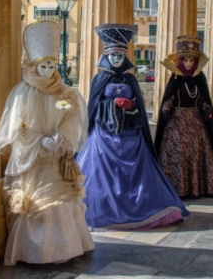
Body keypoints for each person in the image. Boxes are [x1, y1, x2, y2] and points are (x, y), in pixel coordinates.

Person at [0, 21, 94, 266]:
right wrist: (40, 140)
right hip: (35, 159)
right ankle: (40, 252)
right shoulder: (23, 92)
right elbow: (18, 126)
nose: (48, 70)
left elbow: (72, 118)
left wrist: (62, 137)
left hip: (57, 156)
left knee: (61, 198)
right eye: (44, 66)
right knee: (40, 202)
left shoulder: (65, 93)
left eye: (52, 65)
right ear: (34, 66)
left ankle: (65, 248)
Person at [76, 23, 189, 229]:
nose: (117, 60)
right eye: (113, 56)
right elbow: (94, 105)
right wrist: (114, 103)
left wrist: (131, 105)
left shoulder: (130, 79)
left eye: (120, 56)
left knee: (138, 172)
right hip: (104, 135)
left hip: (131, 133)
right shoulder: (100, 78)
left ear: (125, 58)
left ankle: (142, 208)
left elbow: (138, 102)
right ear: (106, 57)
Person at [155, 35, 213, 198]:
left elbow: (202, 99)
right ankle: (177, 188)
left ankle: (197, 188)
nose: (188, 64)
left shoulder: (199, 79)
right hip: (177, 122)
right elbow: (169, 98)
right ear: (180, 61)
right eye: (185, 60)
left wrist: (207, 108)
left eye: (191, 61)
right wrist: (165, 109)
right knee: (177, 152)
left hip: (196, 122)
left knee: (196, 152)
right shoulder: (174, 80)